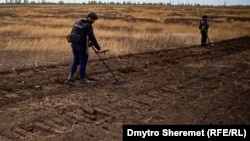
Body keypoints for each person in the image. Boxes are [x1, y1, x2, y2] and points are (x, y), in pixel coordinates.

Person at [68, 12, 102, 83]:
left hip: (74, 45)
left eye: (94, 20)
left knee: (76, 60)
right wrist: (98, 48)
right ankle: (82, 79)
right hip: (82, 47)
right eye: (93, 19)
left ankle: (70, 76)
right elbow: (92, 38)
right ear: (89, 18)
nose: (93, 21)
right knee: (83, 62)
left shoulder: (77, 22)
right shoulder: (88, 26)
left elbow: (72, 33)